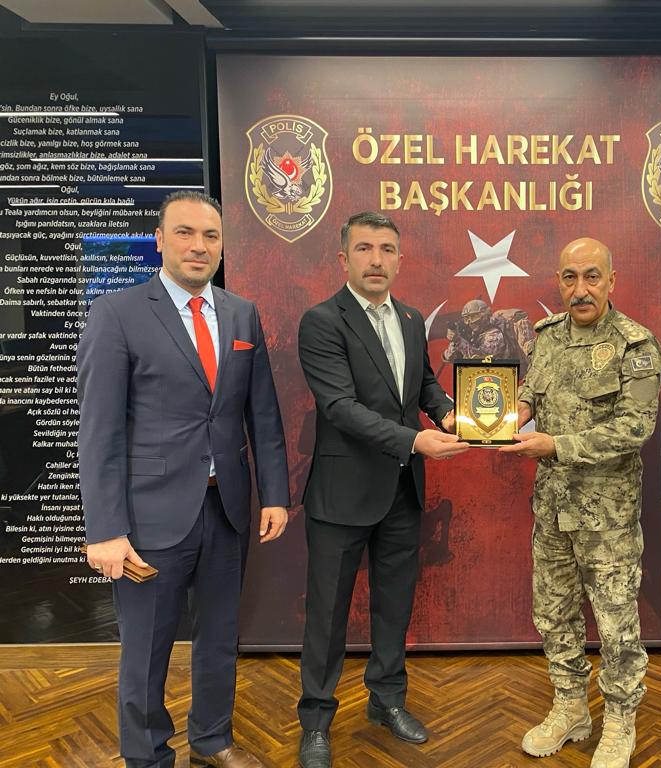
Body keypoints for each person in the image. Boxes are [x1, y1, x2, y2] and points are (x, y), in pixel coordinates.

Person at [78, 191, 290, 768]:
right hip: (148, 518)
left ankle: (212, 741)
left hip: (228, 509)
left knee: (220, 638)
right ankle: (147, 756)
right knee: (145, 651)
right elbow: (99, 432)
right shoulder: (117, 313)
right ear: (159, 241)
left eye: (211, 236)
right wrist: (105, 530)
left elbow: (263, 413)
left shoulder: (241, 313)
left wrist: (274, 494)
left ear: (221, 245)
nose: (199, 246)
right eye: (185, 233)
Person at [295, 212, 469, 768]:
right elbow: (339, 407)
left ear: (399, 259)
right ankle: (316, 722)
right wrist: (416, 441)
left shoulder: (412, 319)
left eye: (387, 249)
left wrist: (452, 415)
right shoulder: (322, 321)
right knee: (327, 616)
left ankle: (386, 701)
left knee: (394, 606)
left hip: (400, 491)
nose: (376, 259)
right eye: (365, 248)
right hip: (341, 494)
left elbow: (424, 385)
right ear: (343, 258)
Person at [500, 237, 661, 768]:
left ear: (611, 281)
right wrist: (495, 419)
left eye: (592, 276)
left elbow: (635, 427)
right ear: (559, 282)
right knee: (553, 612)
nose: (581, 289)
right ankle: (571, 706)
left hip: (606, 517)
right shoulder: (547, 336)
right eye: (570, 277)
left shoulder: (635, 345)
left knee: (615, 623)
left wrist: (557, 446)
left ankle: (619, 720)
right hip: (551, 509)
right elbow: (530, 394)